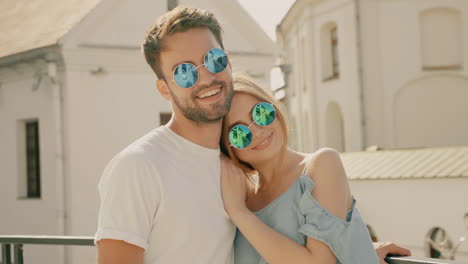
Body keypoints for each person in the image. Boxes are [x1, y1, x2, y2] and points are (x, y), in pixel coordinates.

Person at [94, 6, 410, 264]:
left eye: (213, 60)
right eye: (185, 72)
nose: (206, 77)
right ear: (164, 88)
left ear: (228, 62)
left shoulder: (233, 175)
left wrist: (357, 251)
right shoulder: (139, 166)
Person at [219, 74, 411, 264]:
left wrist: (239, 213)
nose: (257, 131)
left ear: (275, 109)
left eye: (260, 113)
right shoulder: (240, 196)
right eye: (239, 132)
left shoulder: (320, 165)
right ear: (227, 147)